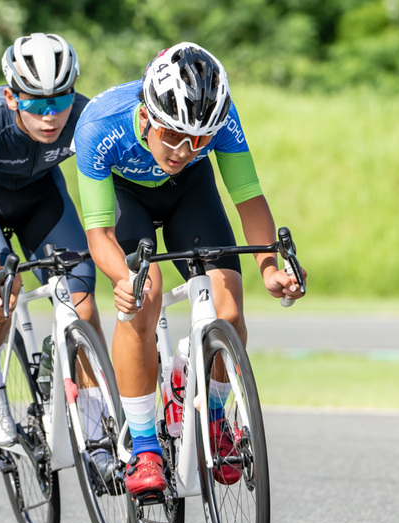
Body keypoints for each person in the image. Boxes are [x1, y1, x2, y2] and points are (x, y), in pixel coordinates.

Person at [74, 42, 306, 496]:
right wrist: (124, 280)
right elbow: (99, 236)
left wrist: (268, 269)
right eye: (175, 135)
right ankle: (143, 448)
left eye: (199, 140)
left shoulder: (217, 123)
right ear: (147, 116)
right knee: (145, 294)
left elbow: (248, 198)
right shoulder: (100, 125)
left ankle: (214, 416)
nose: (184, 148)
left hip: (190, 194)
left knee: (230, 313)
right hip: (127, 198)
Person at [0, 33, 109, 456]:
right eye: (34, 102)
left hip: (40, 197)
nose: (49, 116)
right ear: (13, 97)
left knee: (82, 301)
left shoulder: (85, 116)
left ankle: (93, 425)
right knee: (1, 290)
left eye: (59, 100)